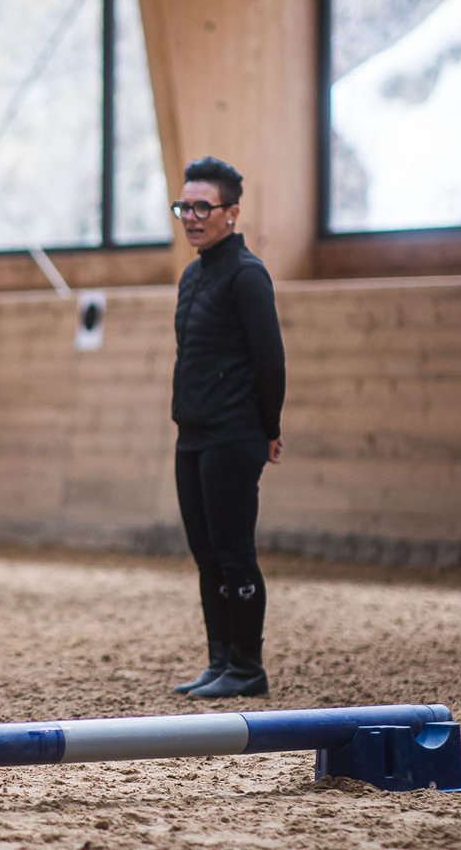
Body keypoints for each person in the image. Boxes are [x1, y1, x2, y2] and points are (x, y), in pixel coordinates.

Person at [167, 156, 286, 699]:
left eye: (201, 207)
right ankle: (220, 661)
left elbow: (270, 358)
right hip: (192, 435)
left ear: (231, 213)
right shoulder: (194, 274)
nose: (191, 216)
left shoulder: (247, 275)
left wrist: (269, 427)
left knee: (235, 552)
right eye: (184, 207)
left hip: (234, 434)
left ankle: (248, 665)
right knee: (207, 555)